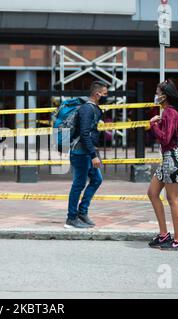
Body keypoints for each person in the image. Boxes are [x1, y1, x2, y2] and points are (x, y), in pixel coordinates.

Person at [147, 79, 178, 251]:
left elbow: (165, 138)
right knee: (152, 193)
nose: (156, 96)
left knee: (172, 199)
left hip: (171, 157)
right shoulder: (169, 112)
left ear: (165, 95)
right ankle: (164, 234)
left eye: (157, 93)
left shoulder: (170, 113)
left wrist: (153, 125)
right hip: (168, 158)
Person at [65, 81, 107, 229]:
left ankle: (82, 212)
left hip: (87, 151)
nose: (106, 96)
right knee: (79, 184)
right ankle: (71, 217)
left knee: (96, 179)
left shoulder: (94, 109)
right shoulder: (87, 110)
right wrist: (93, 154)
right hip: (80, 152)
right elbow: (84, 134)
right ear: (97, 94)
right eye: (105, 93)